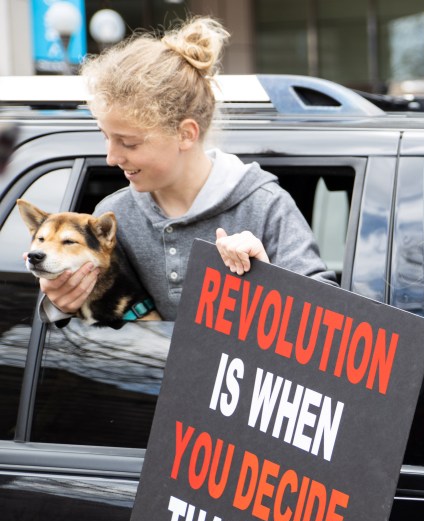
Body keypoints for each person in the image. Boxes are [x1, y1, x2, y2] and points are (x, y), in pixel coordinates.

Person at [37, 16, 335, 323]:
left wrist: (268, 277)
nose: (111, 157)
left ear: (186, 134)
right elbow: (95, 328)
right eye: (106, 137)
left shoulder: (265, 206)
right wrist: (61, 304)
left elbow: (331, 323)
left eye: (129, 143)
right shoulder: (115, 214)